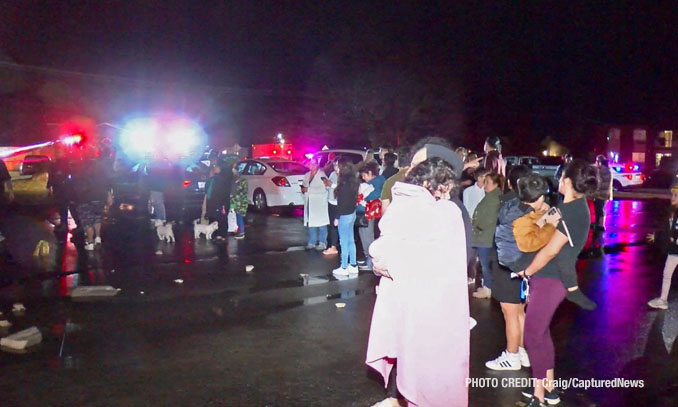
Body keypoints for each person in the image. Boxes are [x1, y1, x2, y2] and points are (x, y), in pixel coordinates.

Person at [366, 158, 469, 407]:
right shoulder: (444, 212)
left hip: (409, 305)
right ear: (429, 183)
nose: (448, 195)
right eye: (445, 188)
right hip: (435, 307)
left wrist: (384, 261)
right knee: (437, 373)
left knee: (416, 365)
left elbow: (383, 251)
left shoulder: (404, 206)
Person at [516, 159, 599, 407]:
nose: (559, 180)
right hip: (550, 278)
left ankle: (538, 395)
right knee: (541, 334)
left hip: (551, 279)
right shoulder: (570, 205)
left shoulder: (574, 211)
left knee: (532, 334)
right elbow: (547, 221)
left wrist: (527, 271)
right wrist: (537, 220)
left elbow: (551, 251)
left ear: (569, 182)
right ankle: (550, 389)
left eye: (562, 176)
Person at [484, 167, 537, 372]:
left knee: (510, 312)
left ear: (512, 183)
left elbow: (502, 233)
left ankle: (512, 354)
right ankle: (521, 350)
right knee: (520, 310)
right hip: (526, 262)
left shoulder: (509, 203)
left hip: (509, 264)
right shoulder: (537, 204)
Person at [471, 172, 504, 299]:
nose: (485, 185)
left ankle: (488, 288)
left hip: (485, 235)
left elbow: (489, 218)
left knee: (485, 264)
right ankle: (487, 286)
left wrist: (479, 226)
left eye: (488, 183)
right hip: (484, 235)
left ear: (495, 185)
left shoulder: (494, 198)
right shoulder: (492, 196)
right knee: (485, 263)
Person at [646, 185, 678, 310]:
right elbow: (668, 229)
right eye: (672, 195)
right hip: (674, 250)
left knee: (667, 273)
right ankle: (663, 300)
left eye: (675, 196)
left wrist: (675, 239)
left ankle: (663, 299)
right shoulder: (673, 211)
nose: (672, 198)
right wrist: (657, 236)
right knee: (667, 274)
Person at [74, 155, 111, 251]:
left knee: (88, 221)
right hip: (99, 197)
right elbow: (107, 182)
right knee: (97, 218)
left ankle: (90, 243)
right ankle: (98, 237)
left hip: (85, 199)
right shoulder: (100, 168)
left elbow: (76, 184)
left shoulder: (81, 169)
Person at [332, 158, 359, 275]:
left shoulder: (343, 183)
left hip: (344, 215)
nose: (335, 168)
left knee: (344, 241)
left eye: (337, 166)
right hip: (352, 213)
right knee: (350, 240)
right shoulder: (353, 181)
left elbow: (341, 203)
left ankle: (344, 267)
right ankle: (353, 264)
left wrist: (337, 217)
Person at [357, 161, 385, 271]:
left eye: (364, 176)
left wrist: (361, 197)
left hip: (368, 213)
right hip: (372, 213)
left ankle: (370, 261)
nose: (363, 178)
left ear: (369, 173)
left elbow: (370, 196)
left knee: (366, 236)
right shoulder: (380, 180)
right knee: (366, 235)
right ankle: (368, 259)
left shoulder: (374, 184)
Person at [302, 159, 330, 250]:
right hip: (310, 203)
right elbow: (303, 186)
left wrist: (308, 190)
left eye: (313, 164)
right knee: (311, 223)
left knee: (322, 223)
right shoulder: (307, 175)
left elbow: (324, 189)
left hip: (319, 203)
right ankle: (312, 241)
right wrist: (303, 190)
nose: (311, 166)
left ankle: (323, 242)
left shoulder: (322, 175)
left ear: (317, 165)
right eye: (310, 164)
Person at [205, 162, 231, 241]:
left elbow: (223, 192)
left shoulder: (221, 179)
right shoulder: (214, 179)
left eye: (215, 167)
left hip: (221, 203)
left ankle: (222, 235)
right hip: (217, 202)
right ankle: (220, 234)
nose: (214, 169)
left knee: (222, 218)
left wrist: (223, 204)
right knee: (218, 218)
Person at [322, 159, 340, 255]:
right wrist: (327, 185)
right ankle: (333, 245)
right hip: (331, 201)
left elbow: (342, 188)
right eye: (334, 165)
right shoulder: (333, 174)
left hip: (339, 203)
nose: (335, 167)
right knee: (332, 225)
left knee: (339, 224)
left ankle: (337, 245)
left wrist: (332, 185)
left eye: (337, 165)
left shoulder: (345, 176)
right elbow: (329, 186)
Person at [593, 155, 612, 230]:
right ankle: (599, 223)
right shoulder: (607, 169)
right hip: (604, 193)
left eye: (597, 161)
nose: (596, 163)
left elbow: (599, 182)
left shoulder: (601, 170)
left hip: (600, 193)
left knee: (599, 209)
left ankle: (600, 224)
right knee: (600, 208)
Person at [230, 166, 248, 239]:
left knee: (239, 216)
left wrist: (234, 195)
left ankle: (241, 232)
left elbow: (243, 192)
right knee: (236, 216)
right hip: (235, 202)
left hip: (240, 202)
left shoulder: (242, 181)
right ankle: (239, 231)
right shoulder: (234, 181)